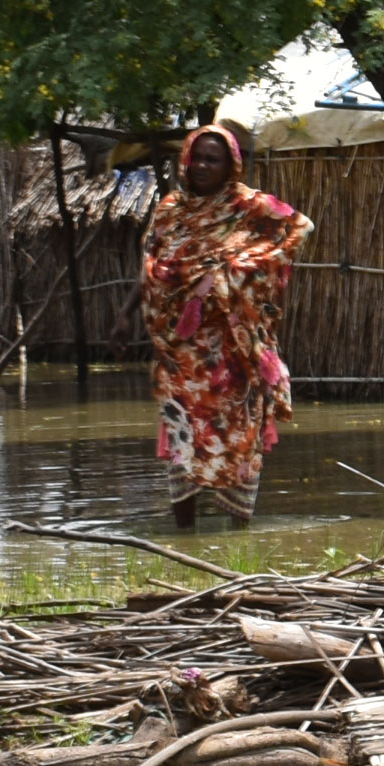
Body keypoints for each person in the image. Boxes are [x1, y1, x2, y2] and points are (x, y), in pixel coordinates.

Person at [139, 122, 313, 528]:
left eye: (212, 159)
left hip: (234, 351)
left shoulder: (250, 207)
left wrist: (236, 268)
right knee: (183, 435)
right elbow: (151, 263)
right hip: (181, 353)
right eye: (196, 157)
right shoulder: (170, 211)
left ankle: (238, 541)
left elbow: (299, 228)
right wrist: (132, 309)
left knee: (237, 433)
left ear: (230, 165)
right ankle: (186, 534)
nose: (201, 165)